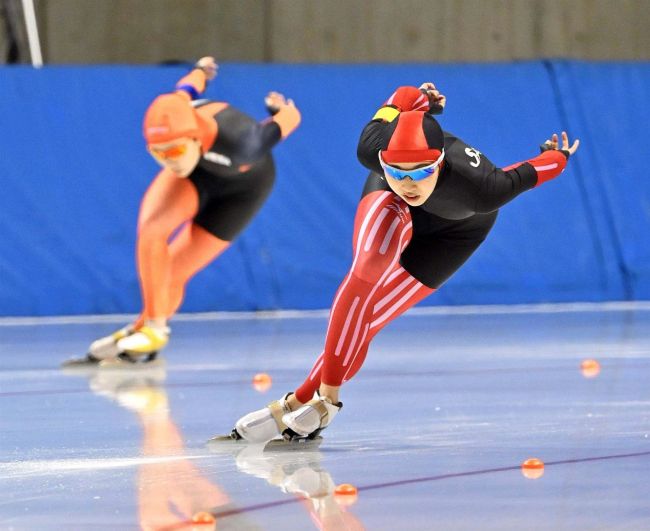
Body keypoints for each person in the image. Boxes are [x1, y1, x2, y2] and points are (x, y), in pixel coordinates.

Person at [227, 82, 579, 443]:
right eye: (398, 170)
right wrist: (424, 98)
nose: (409, 182)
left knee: (372, 317)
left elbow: (533, 171)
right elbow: (399, 98)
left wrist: (560, 154)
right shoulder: (373, 146)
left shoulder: (484, 188)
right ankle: (323, 402)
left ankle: (299, 399)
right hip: (390, 203)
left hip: (454, 234)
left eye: (421, 172)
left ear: (439, 163)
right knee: (365, 272)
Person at [64, 56, 301, 368]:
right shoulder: (176, 110)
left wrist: (278, 110)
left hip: (245, 189)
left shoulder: (245, 142)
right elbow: (187, 87)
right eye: (157, 153)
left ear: (193, 136)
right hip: (198, 174)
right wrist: (202, 70)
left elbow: (291, 118)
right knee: (152, 231)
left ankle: (144, 330)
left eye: (173, 151)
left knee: (175, 271)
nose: (169, 161)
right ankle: (151, 330)